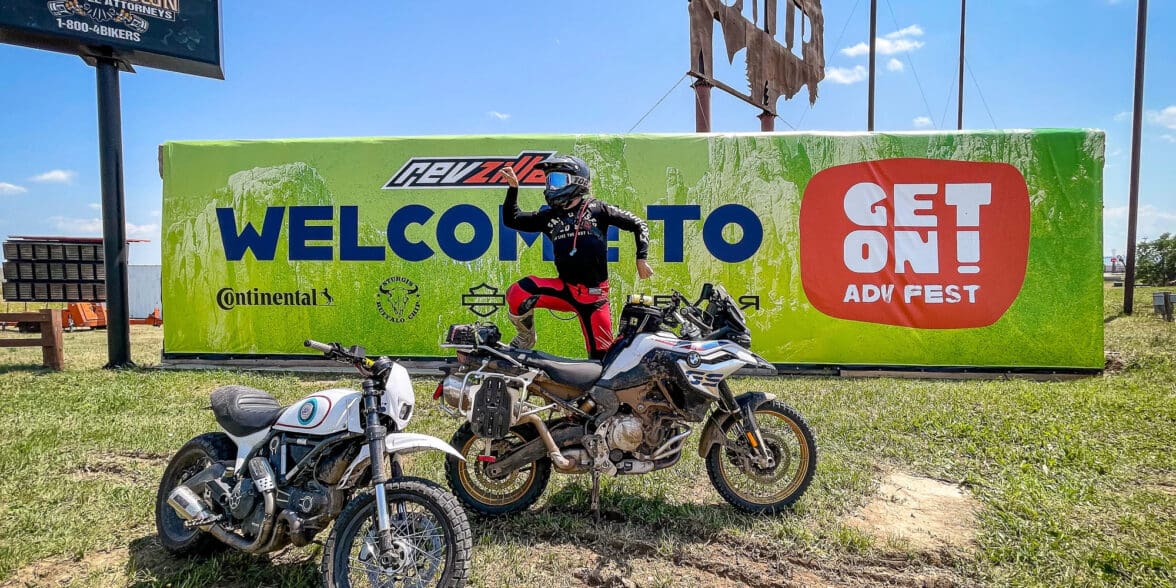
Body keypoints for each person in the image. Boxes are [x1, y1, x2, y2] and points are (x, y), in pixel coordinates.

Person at [499, 154, 653, 360]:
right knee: (518, 293)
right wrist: (513, 188)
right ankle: (526, 337)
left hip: (594, 298)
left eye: (557, 180)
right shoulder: (550, 216)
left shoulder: (598, 209)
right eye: (549, 181)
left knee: (603, 361)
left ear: (577, 180)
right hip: (565, 290)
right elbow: (512, 219)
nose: (551, 187)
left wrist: (641, 258)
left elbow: (638, 223)